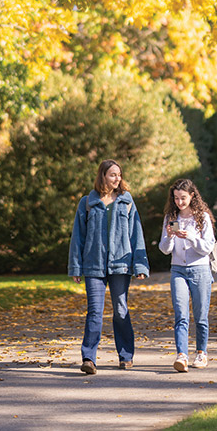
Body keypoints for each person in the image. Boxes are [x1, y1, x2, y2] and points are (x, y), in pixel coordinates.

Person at [68, 159, 149, 374]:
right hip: (93, 265)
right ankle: (89, 358)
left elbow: (136, 234)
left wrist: (140, 265)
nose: (117, 178)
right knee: (94, 311)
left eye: (119, 175)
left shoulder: (127, 202)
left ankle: (125, 356)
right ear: (102, 176)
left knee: (121, 310)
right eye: (113, 174)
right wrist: (76, 267)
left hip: (120, 265)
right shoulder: (87, 202)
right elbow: (78, 237)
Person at [159, 179, 216, 373]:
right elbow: (165, 249)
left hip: (200, 269)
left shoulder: (203, 218)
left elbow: (207, 248)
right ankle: (181, 355)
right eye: (176, 198)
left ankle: (201, 352)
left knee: (200, 316)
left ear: (192, 196)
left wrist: (191, 237)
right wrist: (169, 236)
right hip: (178, 270)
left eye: (183, 198)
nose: (180, 202)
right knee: (181, 315)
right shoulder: (171, 217)